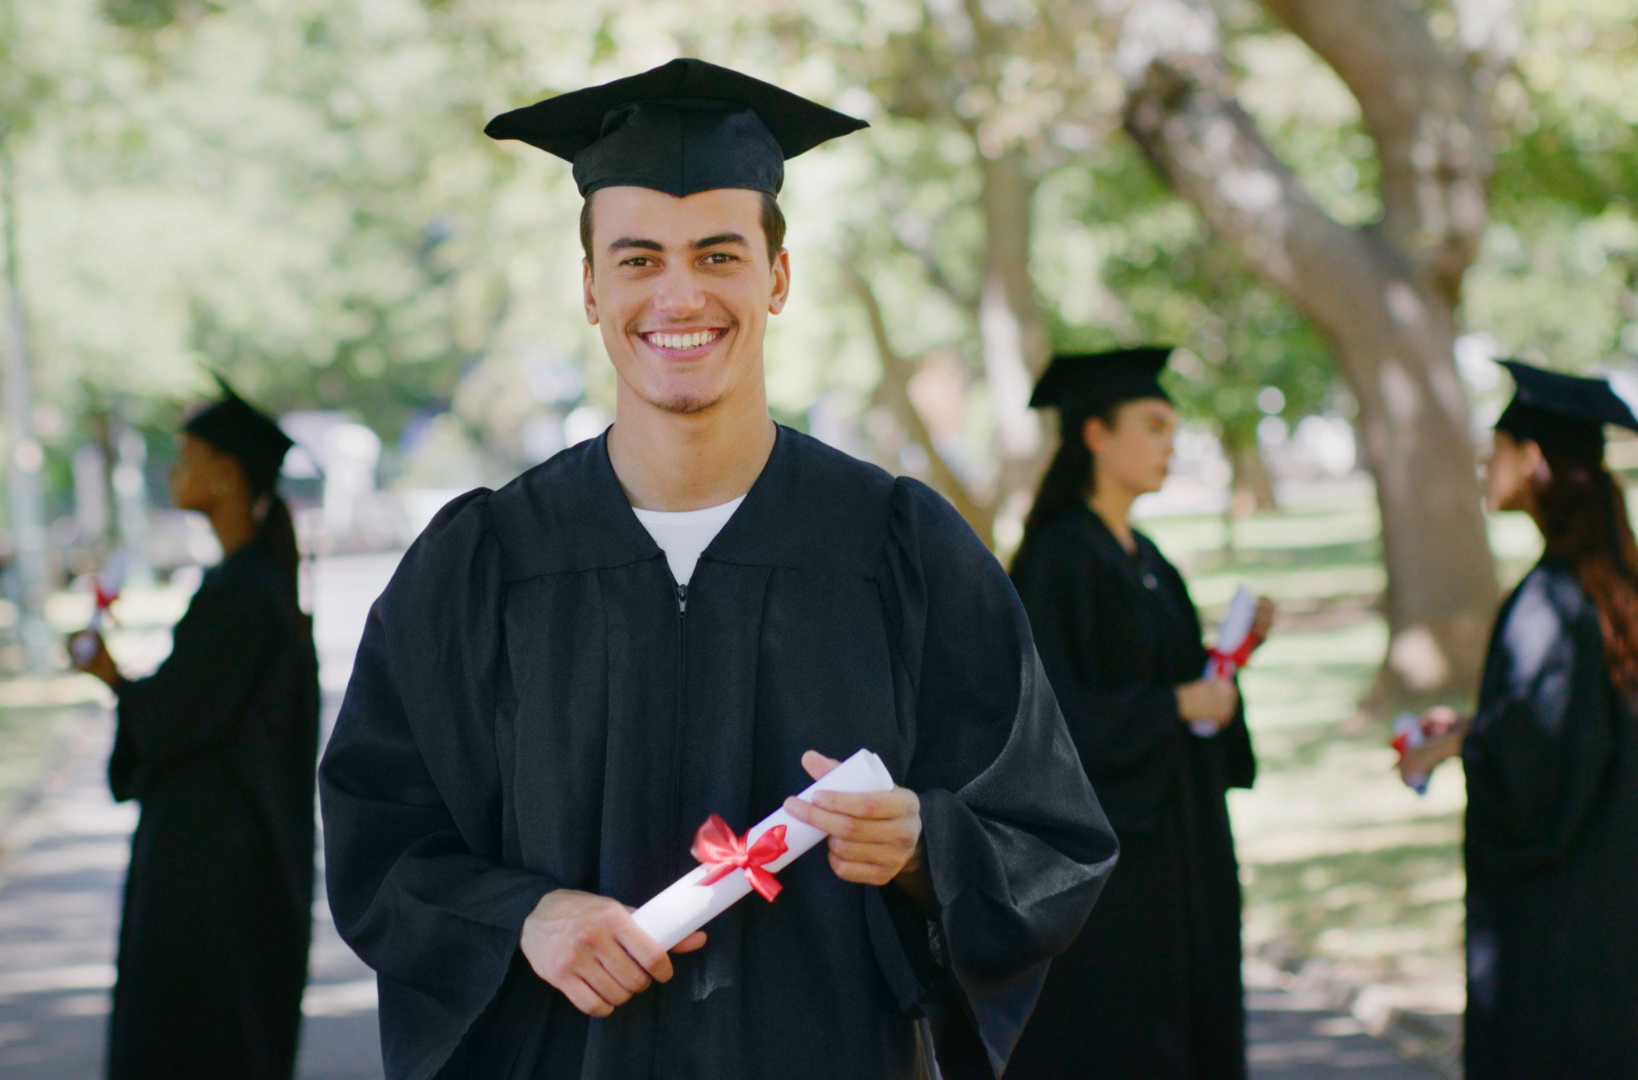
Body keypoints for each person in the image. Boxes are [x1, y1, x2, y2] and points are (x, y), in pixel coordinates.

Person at [319, 59, 1118, 1080]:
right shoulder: (483, 564)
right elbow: (380, 838)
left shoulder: (898, 547)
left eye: (719, 254)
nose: (680, 293)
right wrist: (527, 916)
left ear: (777, 278)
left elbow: (1051, 837)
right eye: (640, 259)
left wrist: (927, 844)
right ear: (592, 288)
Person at [1004, 348, 1272, 1080]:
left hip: (1181, 839)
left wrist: (1221, 673)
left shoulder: (1148, 558)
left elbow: (1182, 691)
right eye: (1153, 425)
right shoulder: (1056, 561)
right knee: (1121, 1031)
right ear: (1095, 434)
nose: (1169, 443)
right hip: (1110, 859)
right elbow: (1046, 717)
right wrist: (1175, 704)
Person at [1395, 360, 1638, 1079]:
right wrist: (1472, 732)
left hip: (1558, 927)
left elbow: (1532, 771)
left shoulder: (1546, 601)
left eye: (1499, 448)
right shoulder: (1610, 591)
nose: (1486, 463)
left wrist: (1458, 747)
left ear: (1533, 460)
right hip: (1617, 903)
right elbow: (1561, 733)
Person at [71, 380, 320, 1080]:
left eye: (186, 457)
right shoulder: (252, 585)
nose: (173, 473)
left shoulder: (244, 594)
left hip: (214, 876)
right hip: (220, 862)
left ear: (226, 473)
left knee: (196, 1041)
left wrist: (113, 678)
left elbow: (175, 722)